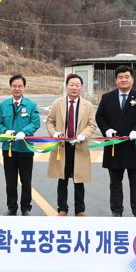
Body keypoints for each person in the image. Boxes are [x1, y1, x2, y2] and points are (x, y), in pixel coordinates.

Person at [95, 65, 136, 217]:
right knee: (115, 182)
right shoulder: (107, 97)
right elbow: (99, 117)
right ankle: (116, 210)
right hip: (114, 147)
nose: (124, 80)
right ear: (116, 80)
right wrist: (106, 130)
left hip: (134, 146)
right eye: (120, 77)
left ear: (132, 79)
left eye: (127, 77)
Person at [45, 73, 97, 216]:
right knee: (62, 179)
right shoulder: (58, 103)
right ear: (66, 86)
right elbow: (50, 121)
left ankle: (80, 209)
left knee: (79, 179)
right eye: (71, 85)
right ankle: (62, 208)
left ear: (81, 87)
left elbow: (91, 124)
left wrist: (82, 135)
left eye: (77, 85)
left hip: (79, 145)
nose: (74, 88)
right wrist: (54, 133)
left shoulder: (88, 105)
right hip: (62, 146)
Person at [0, 74, 41, 216]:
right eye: (14, 86)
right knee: (10, 181)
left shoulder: (31, 105)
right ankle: (11, 207)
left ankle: (26, 208)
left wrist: (25, 132)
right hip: (8, 149)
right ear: (10, 87)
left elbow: (35, 123)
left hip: (25, 148)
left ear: (24, 87)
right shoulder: (3, 105)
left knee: (26, 181)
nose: (17, 88)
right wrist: (4, 131)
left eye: (19, 86)